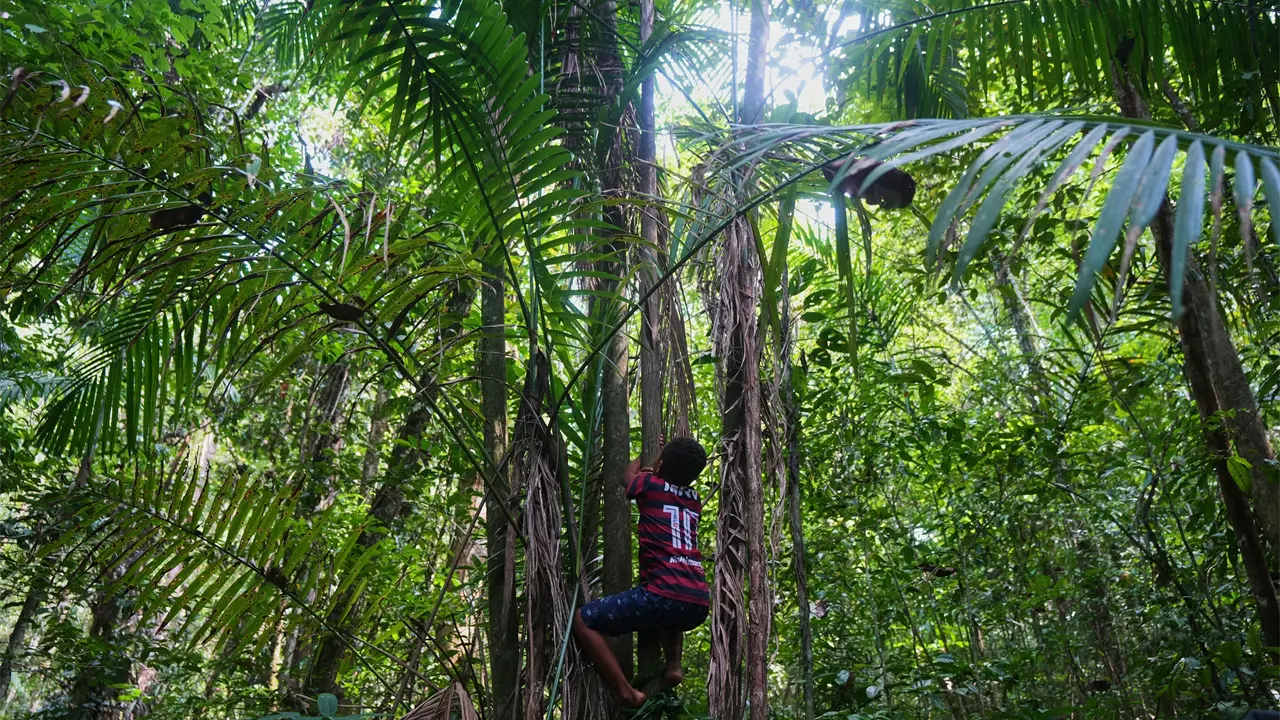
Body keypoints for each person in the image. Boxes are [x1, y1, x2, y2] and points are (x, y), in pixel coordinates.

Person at [572, 435, 710, 708]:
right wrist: (660, 460)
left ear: (660, 465)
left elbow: (627, 476)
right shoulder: (694, 499)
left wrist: (648, 456)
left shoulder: (649, 485)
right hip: (697, 600)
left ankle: (626, 691)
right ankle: (674, 666)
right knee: (670, 613)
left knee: (582, 620)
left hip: (662, 595)